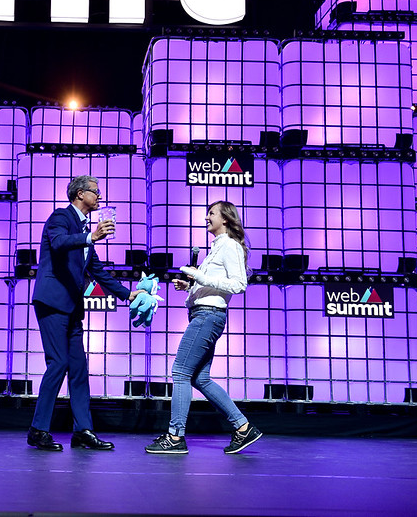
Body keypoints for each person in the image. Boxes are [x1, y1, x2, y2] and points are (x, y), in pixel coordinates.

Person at [27, 175, 144, 451]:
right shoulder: (60, 217)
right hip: (53, 302)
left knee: (78, 368)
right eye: (96, 192)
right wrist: (90, 237)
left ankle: (83, 430)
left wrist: (127, 293)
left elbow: (98, 271)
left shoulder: (84, 229)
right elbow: (57, 243)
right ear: (81, 194)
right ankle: (38, 429)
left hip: (72, 307)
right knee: (58, 363)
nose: (100, 197)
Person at [145, 200, 262, 455]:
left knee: (180, 373)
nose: (206, 217)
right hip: (204, 313)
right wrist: (190, 287)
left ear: (226, 219)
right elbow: (217, 285)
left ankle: (175, 436)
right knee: (200, 377)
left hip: (208, 316)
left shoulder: (229, 246)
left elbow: (239, 284)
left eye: (211, 213)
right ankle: (243, 428)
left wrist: (199, 276)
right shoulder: (216, 248)